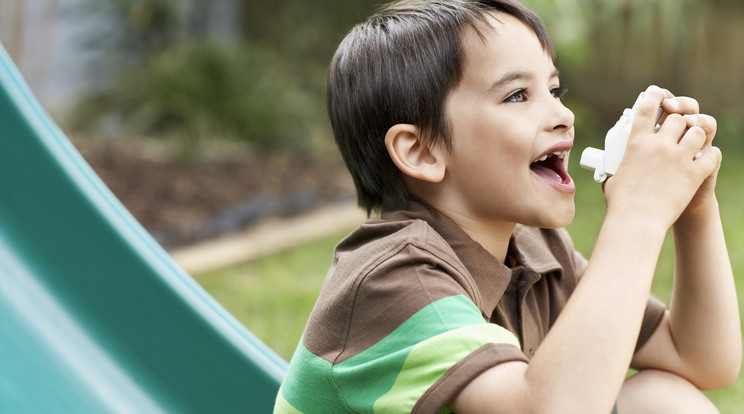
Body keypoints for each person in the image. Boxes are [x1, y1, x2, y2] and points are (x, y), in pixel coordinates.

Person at [274, 0, 741, 412]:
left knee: (663, 400)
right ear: (422, 152)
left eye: (554, 90)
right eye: (517, 95)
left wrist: (695, 211)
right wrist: (638, 216)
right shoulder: (394, 277)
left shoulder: (538, 254)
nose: (563, 115)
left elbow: (700, 359)